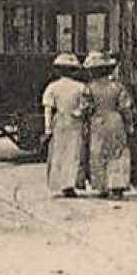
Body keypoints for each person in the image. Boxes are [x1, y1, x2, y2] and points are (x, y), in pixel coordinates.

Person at [81, 51, 132, 199]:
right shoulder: (117, 87)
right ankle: (117, 185)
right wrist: (129, 123)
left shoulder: (89, 88)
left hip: (98, 121)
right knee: (118, 152)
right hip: (115, 120)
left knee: (98, 153)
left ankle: (102, 185)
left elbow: (86, 107)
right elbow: (125, 106)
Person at [42, 53, 89, 197]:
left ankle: (60, 183)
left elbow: (48, 108)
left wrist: (48, 127)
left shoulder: (53, 87)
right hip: (75, 122)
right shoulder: (80, 87)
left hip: (60, 120)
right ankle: (70, 183)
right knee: (74, 153)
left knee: (59, 152)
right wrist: (79, 113)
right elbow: (85, 105)